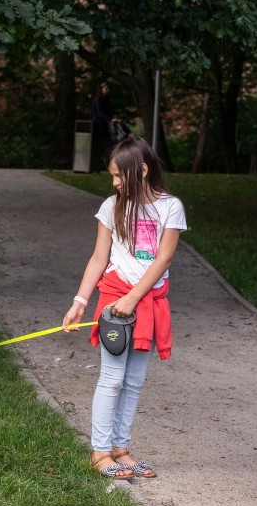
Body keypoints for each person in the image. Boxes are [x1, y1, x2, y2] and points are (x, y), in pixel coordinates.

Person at [62, 136, 188, 479]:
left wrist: (135, 298)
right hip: (115, 300)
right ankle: (100, 452)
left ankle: (121, 448)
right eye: (113, 178)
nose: (116, 183)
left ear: (142, 171)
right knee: (112, 379)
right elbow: (99, 257)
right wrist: (79, 302)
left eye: (120, 176)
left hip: (147, 303)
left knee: (133, 381)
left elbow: (164, 259)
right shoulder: (111, 206)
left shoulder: (170, 207)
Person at [90, 82, 113, 172]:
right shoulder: (97, 100)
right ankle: (96, 165)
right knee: (99, 144)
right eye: (106, 88)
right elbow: (99, 113)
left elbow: (107, 112)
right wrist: (109, 119)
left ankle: (108, 163)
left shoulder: (106, 100)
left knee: (108, 143)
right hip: (97, 124)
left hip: (103, 123)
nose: (107, 90)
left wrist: (111, 118)